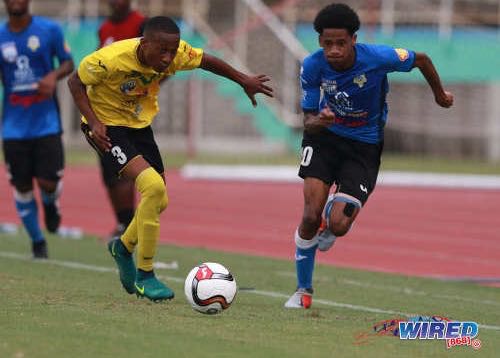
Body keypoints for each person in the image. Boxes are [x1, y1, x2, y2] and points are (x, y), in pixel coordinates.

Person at [67, 16, 273, 302]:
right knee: (152, 187)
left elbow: (206, 61)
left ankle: (123, 248)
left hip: (137, 125)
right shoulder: (108, 60)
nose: (167, 58)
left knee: (160, 199)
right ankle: (145, 275)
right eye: (161, 51)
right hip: (105, 126)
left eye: (172, 51)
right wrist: (93, 121)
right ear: (144, 43)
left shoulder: (176, 54)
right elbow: (74, 82)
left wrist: (243, 81)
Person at [284, 3, 453, 309]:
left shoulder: (378, 58)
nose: (334, 50)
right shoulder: (312, 66)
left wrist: (439, 94)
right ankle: (302, 291)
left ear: (354, 39)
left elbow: (422, 60)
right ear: (320, 42)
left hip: (364, 147)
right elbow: (307, 118)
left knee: (338, 224)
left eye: (341, 43)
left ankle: (330, 222)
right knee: (309, 215)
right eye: (327, 44)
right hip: (324, 140)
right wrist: (317, 121)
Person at [0, 0, 74, 258]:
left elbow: (68, 63)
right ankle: (38, 241)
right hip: (13, 127)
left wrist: (52, 77)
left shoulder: (49, 30)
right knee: (22, 187)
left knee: (48, 182)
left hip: (46, 123)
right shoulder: (0, 35)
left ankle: (50, 203)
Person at [97, 0, 147, 241]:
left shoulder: (141, 25)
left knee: (126, 167)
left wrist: (140, 89)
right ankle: (122, 223)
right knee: (109, 171)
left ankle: (130, 226)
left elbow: (156, 65)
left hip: (129, 111)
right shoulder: (104, 28)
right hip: (103, 109)